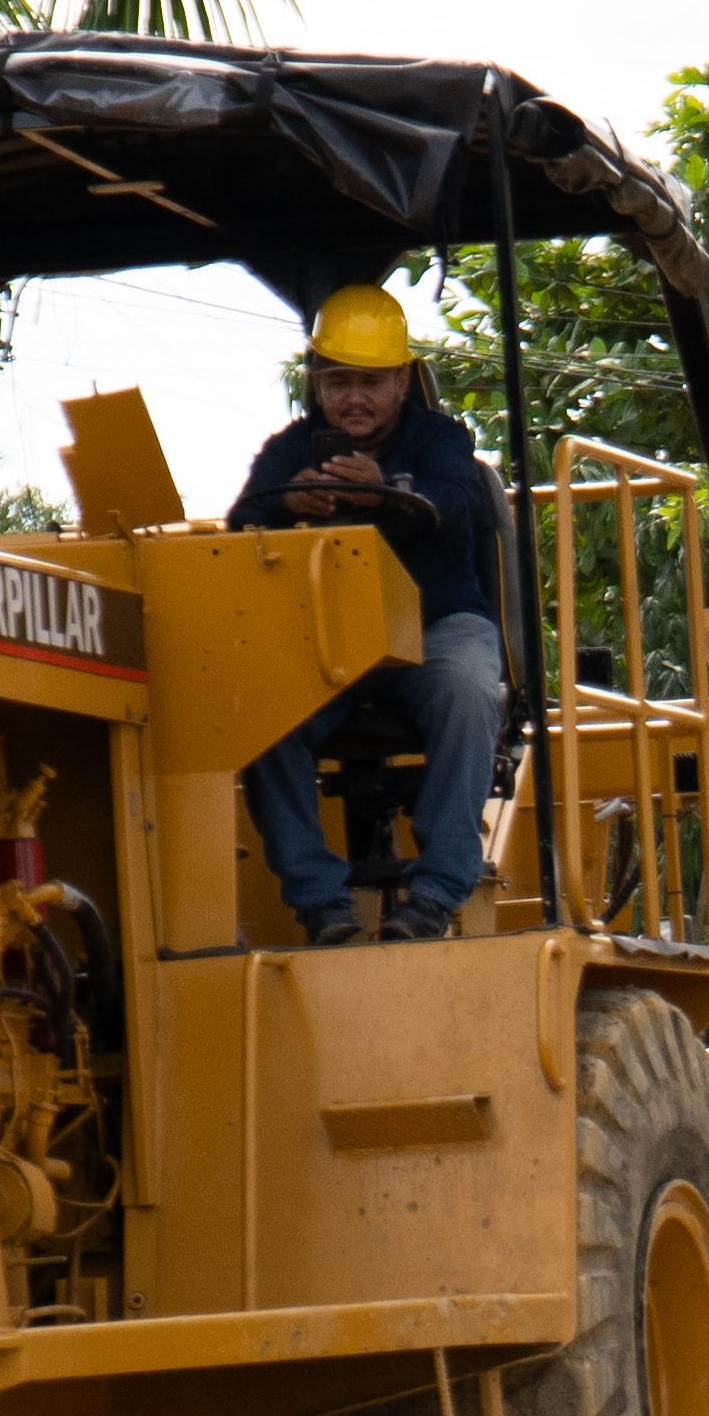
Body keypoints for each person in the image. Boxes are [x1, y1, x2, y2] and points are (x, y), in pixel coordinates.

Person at [227, 285, 507, 946]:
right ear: (316, 383)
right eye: (338, 381)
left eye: (371, 382)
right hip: (334, 645)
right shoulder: (290, 451)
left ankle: (435, 895)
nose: (354, 398)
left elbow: (454, 500)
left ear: (403, 380)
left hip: (436, 628)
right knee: (262, 713)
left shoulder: (441, 439)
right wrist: (289, 504)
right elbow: (241, 525)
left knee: (468, 689)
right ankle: (322, 905)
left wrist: (381, 494)